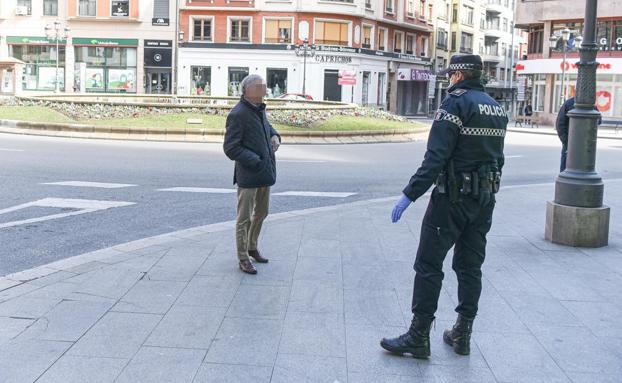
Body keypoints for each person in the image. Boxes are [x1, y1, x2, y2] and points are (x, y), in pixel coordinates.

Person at [380, 54, 508, 359]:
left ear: (459, 75)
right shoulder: (496, 108)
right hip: (484, 200)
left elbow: (435, 158)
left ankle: (418, 335)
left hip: (450, 200)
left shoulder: (454, 104)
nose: (449, 79)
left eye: (451, 74)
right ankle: (462, 333)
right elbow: (498, 159)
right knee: (470, 266)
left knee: (428, 265)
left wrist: (409, 195)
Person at [223, 74, 281, 275]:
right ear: (246, 91)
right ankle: (242, 257)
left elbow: (267, 127)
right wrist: (254, 160)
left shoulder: (259, 110)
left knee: (262, 212)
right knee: (244, 218)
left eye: (263, 87)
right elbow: (230, 148)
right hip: (249, 174)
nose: (263, 91)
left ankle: (252, 246)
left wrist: (274, 135)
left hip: (264, 172)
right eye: (258, 87)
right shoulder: (238, 114)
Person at [556, 97, 601, 172]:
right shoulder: (589, 104)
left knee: (565, 169)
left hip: (573, 143)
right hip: (585, 144)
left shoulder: (569, 103)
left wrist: (566, 141)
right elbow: (599, 120)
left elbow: (560, 124)